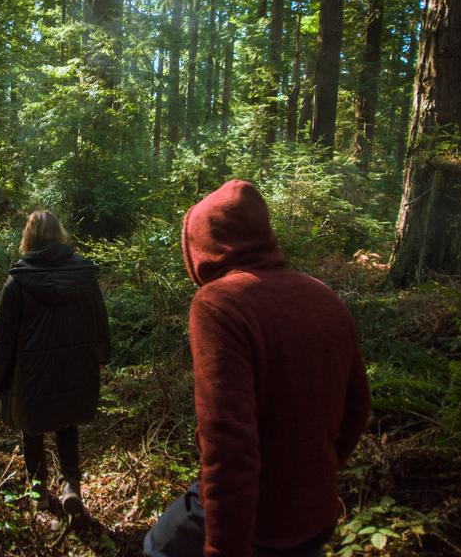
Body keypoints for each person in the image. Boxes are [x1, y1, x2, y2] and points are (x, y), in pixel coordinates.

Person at [145, 180, 370, 557]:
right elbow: (357, 408)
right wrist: (313, 476)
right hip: (316, 513)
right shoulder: (321, 293)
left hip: (257, 522)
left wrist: (224, 547)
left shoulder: (218, 304)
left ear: (201, 246)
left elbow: (228, 442)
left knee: (157, 545)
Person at [0, 210, 111, 518]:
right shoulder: (83, 276)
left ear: (28, 239)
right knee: (67, 425)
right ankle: (71, 488)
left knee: (32, 428)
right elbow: (100, 321)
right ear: (60, 235)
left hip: (31, 375)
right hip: (75, 369)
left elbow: (3, 341)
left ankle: (39, 492)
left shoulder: (18, 282)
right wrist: (102, 357)